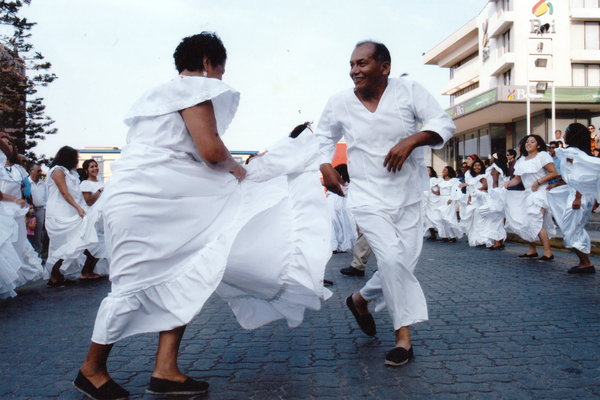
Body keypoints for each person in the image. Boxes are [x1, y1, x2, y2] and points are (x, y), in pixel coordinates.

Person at [76, 32, 331, 399]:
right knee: (132, 286)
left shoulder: (160, 96)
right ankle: (91, 370)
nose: (221, 80)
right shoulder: (192, 89)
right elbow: (211, 151)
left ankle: (165, 369)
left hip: (152, 201)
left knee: (190, 273)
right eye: (221, 71)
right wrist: (239, 169)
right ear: (208, 63)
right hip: (151, 205)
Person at [315, 40, 455, 366]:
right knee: (391, 258)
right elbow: (321, 138)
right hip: (366, 197)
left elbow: (444, 123)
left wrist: (414, 139)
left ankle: (360, 299)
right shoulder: (339, 102)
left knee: (401, 264)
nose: (354, 71)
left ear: (384, 67)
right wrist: (325, 166)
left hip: (407, 196)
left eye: (362, 64)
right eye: (351, 65)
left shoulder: (409, 90)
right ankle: (403, 338)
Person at [45, 146, 103, 285]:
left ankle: (58, 275)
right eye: (75, 158)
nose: (77, 160)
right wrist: (78, 208)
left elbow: (76, 194)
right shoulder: (58, 171)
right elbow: (65, 193)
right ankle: (54, 276)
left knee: (72, 243)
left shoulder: (71, 173)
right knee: (62, 245)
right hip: (60, 212)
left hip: (71, 211)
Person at [547, 123, 597, 274]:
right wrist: (556, 186)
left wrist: (577, 198)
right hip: (582, 195)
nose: (563, 135)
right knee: (574, 229)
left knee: (570, 230)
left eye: (566, 132)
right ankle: (584, 262)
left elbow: (577, 177)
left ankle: (586, 263)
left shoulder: (571, 153)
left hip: (578, 195)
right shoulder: (579, 153)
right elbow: (571, 177)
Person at [502, 135, 558, 261]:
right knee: (528, 221)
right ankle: (532, 250)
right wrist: (506, 185)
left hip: (540, 192)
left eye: (532, 142)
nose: (529, 143)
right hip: (528, 192)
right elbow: (517, 179)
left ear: (538, 145)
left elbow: (554, 172)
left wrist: (538, 182)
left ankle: (548, 252)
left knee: (536, 220)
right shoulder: (522, 160)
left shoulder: (542, 156)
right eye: (527, 142)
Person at [0, 135, 46, 286]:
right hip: (3, 209)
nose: (9, 147)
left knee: (18, 243)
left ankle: (13, 277)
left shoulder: (19, 169)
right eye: (5, 144)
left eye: (10, 144)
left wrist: (28, 206)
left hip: (17, 210)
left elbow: (26, 190)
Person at [458, 159, 489, 247]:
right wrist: (469, 197)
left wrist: (475, 192)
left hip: (480, 199)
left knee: (480, 220)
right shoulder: (472, 177)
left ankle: (482, 239)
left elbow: (485, 186)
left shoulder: (483, 176)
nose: (477, 167)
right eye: (475, 166)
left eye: (479, 165)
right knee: (472, 220)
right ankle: (475, 239)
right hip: (472, 199)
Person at [431, 166, 462, 243]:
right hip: (441, 199)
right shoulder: (441, 181)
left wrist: (452, 198)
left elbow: (456, 190)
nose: (443, 171)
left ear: (449, 171)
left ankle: (452, 236)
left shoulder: (453, 181)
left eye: (445, 170)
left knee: (449, 218)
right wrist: (432, 191)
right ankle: (444, 236)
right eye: (443, 170)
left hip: (449, 200)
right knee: (441, 218)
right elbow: (438, 192)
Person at [28, 163, 48, 256]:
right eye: (38, 171)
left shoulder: (42, 183)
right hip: (29, 210)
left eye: (41, 171)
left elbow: (46, 198)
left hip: (40, 210)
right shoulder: (26, 182)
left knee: (38, 232)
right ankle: (29, 252)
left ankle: (38, 253)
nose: (40, 173)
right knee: (28, 231)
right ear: (30, 171)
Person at [423, 166, 442, 241]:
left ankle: (443, 234)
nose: (427, 172)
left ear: (431, 172)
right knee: (427, 218)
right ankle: (432, 234)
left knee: (436, 217)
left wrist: (436, 192)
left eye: (428, 171)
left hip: (433, 200)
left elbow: (440, 185)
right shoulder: (423, 180)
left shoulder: (434, 180)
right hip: (426, 201)